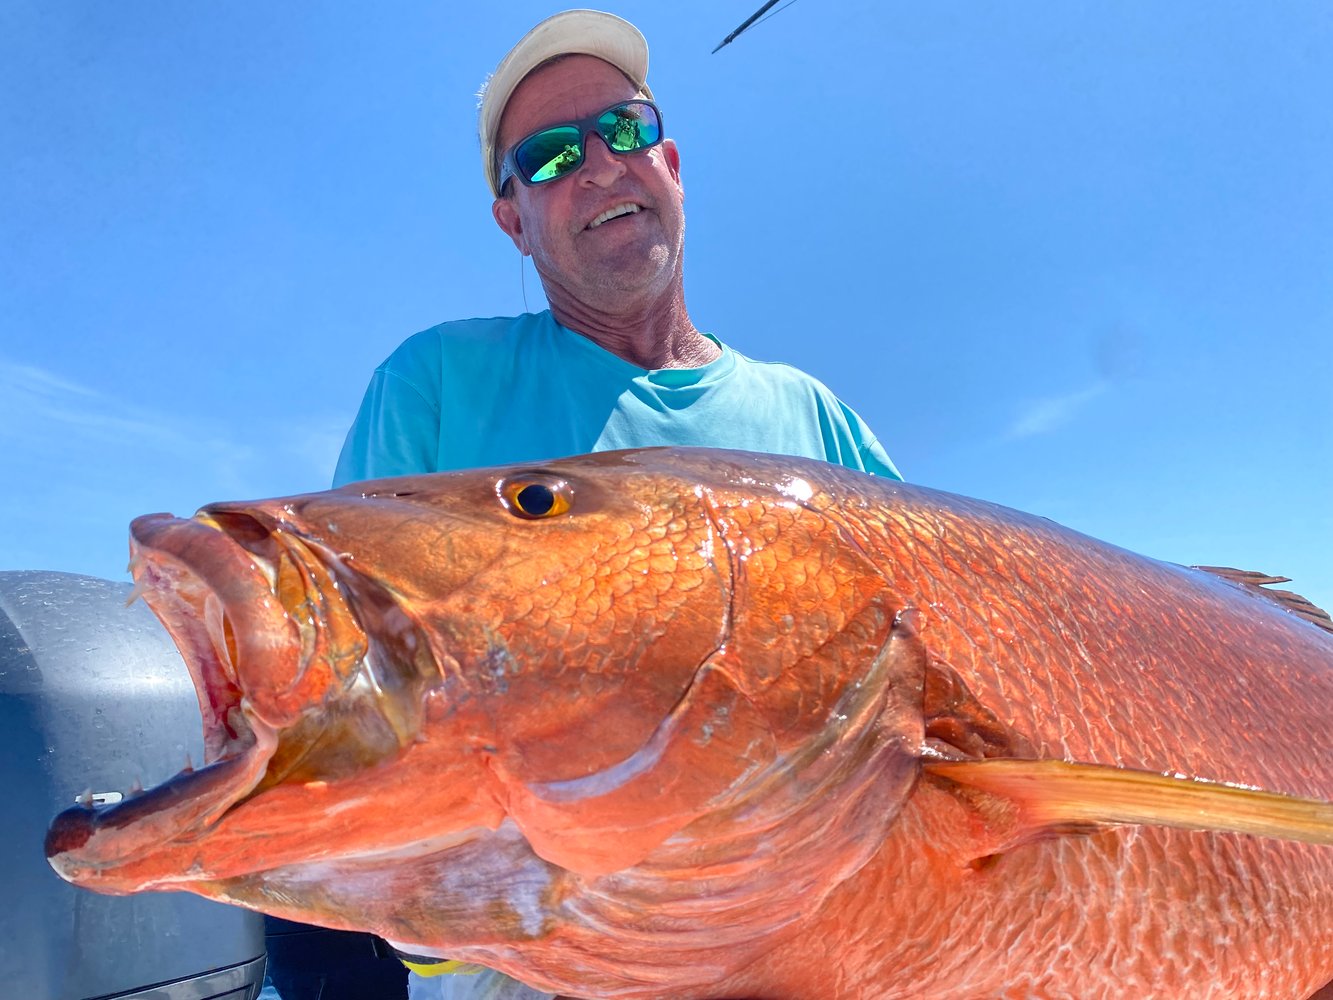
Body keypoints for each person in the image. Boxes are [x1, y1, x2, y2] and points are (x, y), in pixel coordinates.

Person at [325, 10, 902, 999]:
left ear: (669, 161)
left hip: (813, 948)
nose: (597, 163)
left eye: (623, 129)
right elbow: (354, 704)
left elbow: (950, 668)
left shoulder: (815, 416)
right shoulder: (433, 385)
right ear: (511, 219)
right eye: (548, 156)